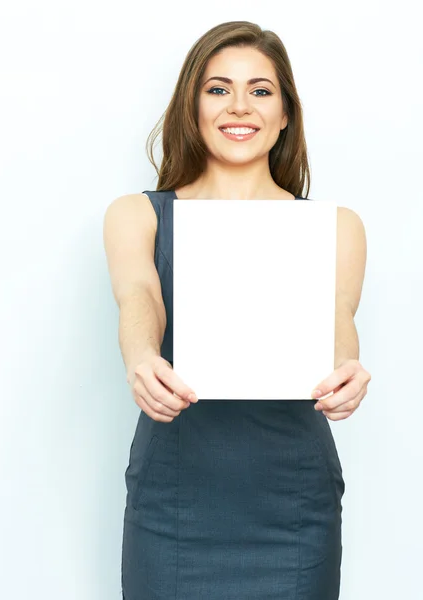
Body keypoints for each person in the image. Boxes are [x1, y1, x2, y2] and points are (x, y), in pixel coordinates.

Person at [103, 20, 371, 600]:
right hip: (173, 499)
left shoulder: (335, 226)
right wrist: (142, 357)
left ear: (284, 114)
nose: (239, 106)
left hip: (292, 503)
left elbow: (337, 322)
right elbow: (139, 295)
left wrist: (346, 371)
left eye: (261, 90)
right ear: (192, 107)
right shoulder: (139, 215)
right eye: (218, 88)